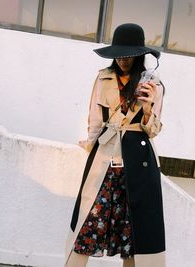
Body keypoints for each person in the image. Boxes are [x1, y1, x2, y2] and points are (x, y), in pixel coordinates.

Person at [64, 23, 166, 267]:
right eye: (119, 54)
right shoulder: (103, 77)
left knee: (135, 230)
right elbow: (95, 121)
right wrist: (92, 149)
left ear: (140, 54)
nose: (123, 60)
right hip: (104, 159)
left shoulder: (155, 85)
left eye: (129, 55)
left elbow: (152, 130)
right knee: (88, 220)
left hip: (138, 163)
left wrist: (148, 107)